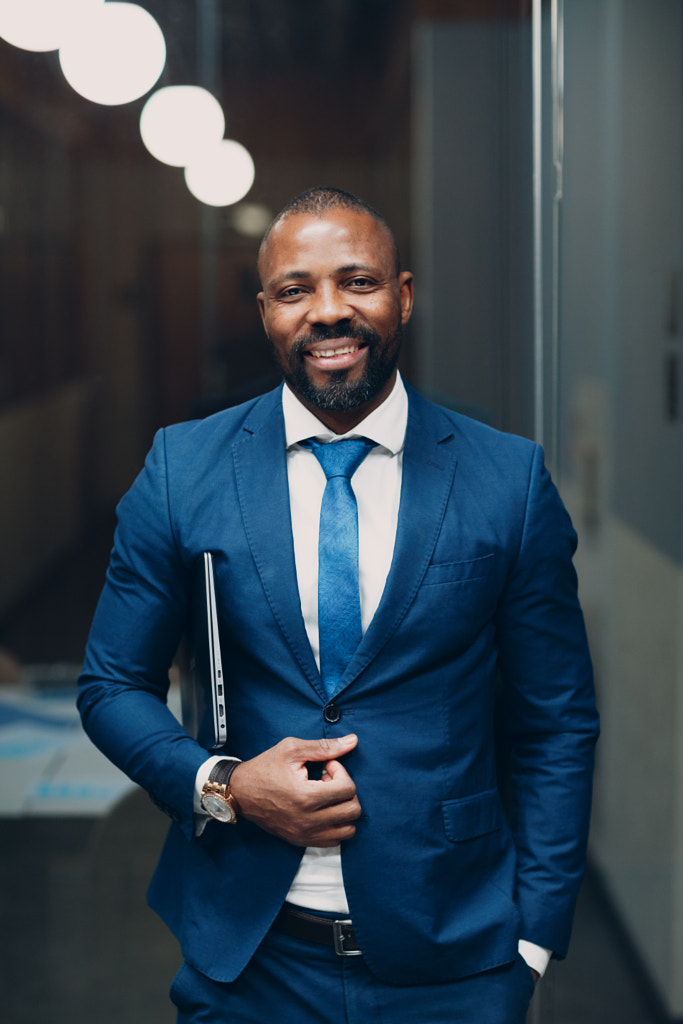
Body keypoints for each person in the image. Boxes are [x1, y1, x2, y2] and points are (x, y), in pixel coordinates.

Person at [78, 186, 599, 1024]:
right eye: (294, 289)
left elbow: (556, 720)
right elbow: (110, 686)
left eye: (356, 281)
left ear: (402, 296)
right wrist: (227, 786)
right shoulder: (183, 468)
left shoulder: (508, 481)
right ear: (264, 311)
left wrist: (534, 935)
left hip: (455, 962)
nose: (327, 311)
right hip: (247, 961)